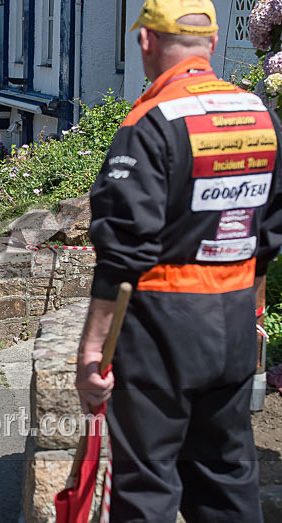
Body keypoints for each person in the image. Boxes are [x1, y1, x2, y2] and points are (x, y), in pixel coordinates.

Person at [76, 2, 282, 521]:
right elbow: (270, 232)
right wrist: (252, 309)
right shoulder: (262, 116)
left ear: (146, 42)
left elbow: (122, 251)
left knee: (146, 488)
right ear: (211, 44)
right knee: (226, 480)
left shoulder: (151, 123)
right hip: (233, 325)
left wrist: (93, 350)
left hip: (160, 330)